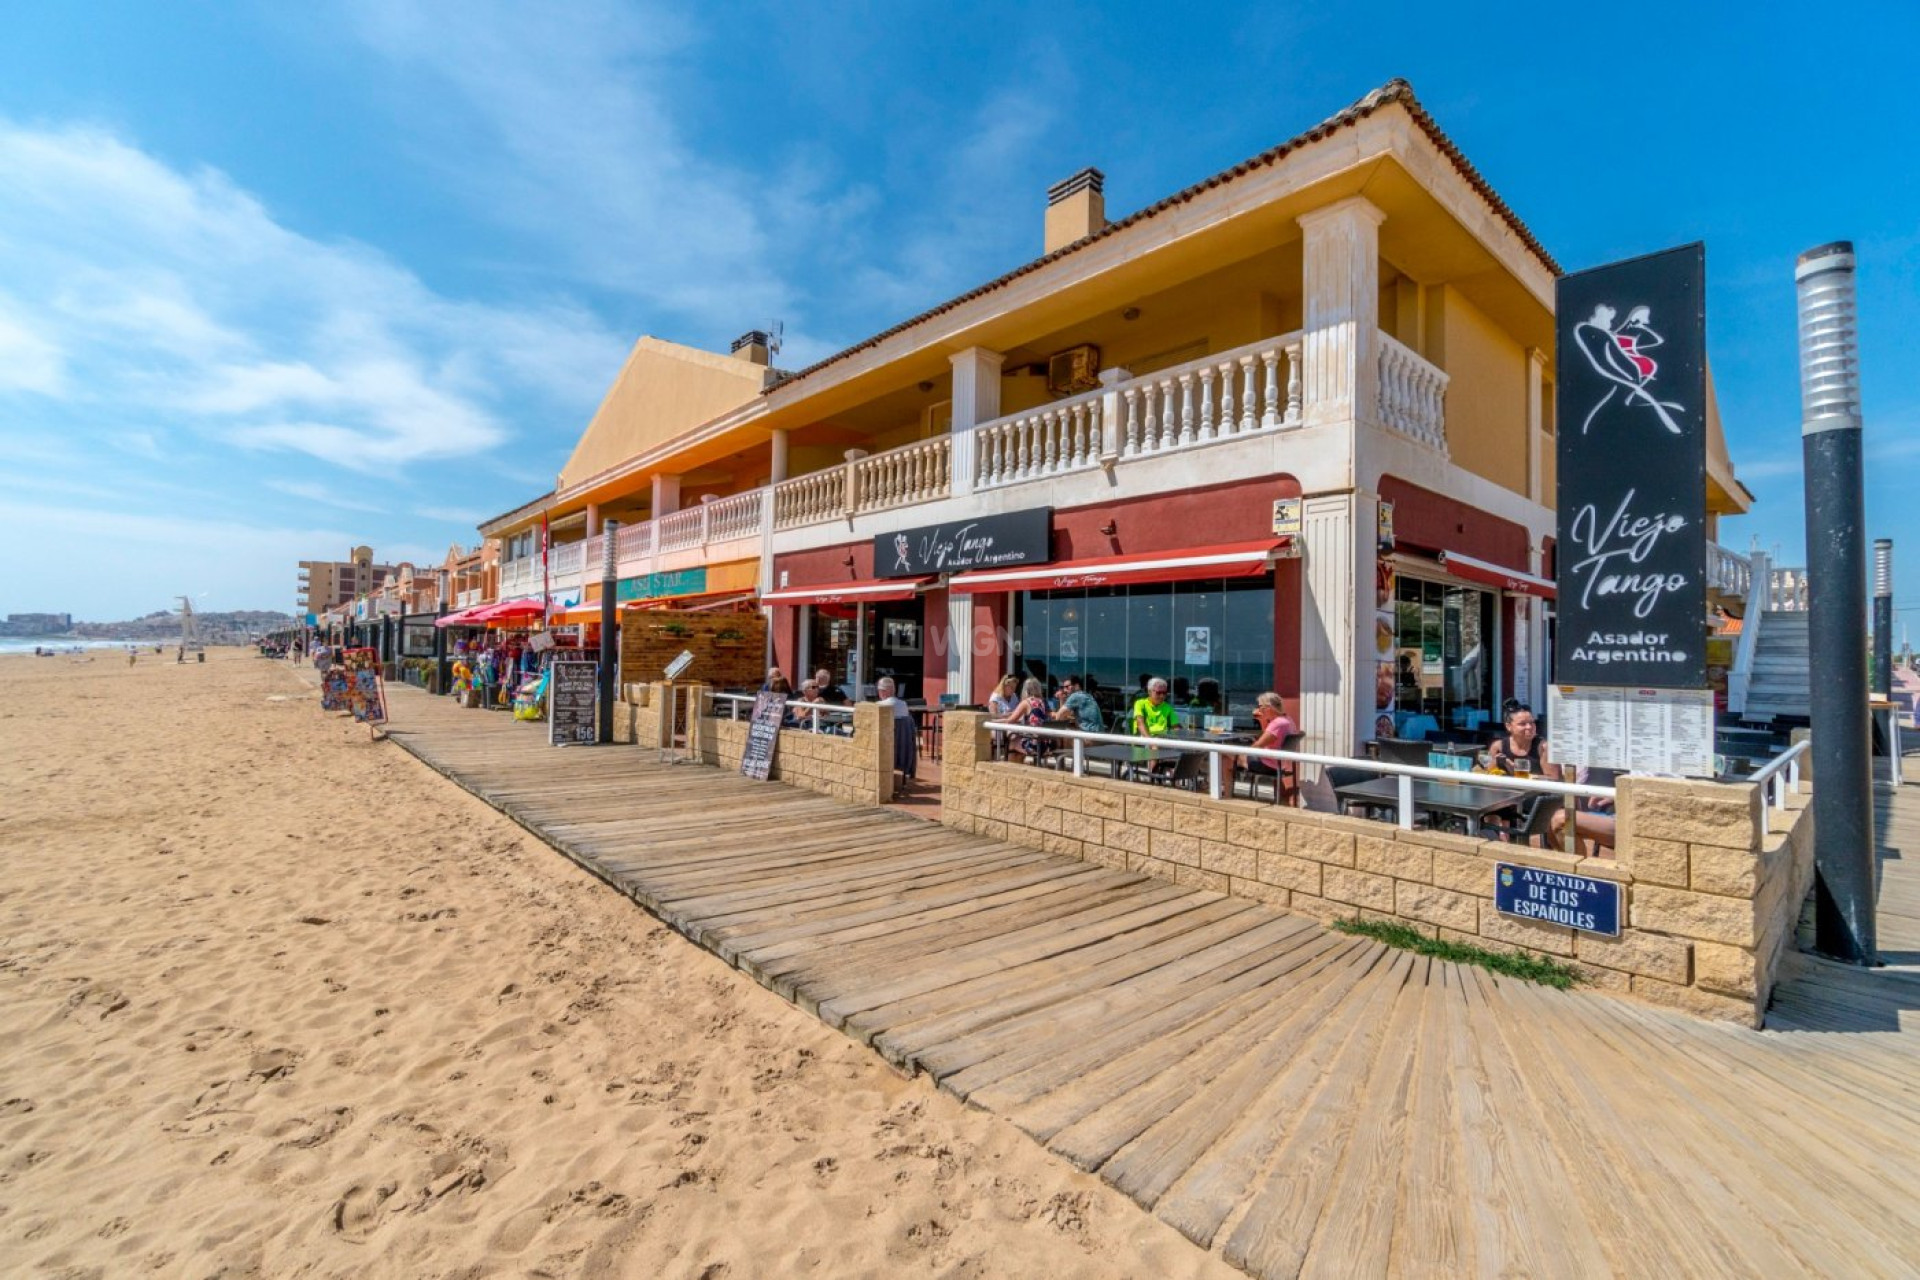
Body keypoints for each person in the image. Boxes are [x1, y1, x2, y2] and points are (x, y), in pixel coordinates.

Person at [1240, 692, 1299, 785]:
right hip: (1280, 764)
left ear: (1268, 707)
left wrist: (1243, 753)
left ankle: (1225, 790)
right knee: (1228, 758)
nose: (1258, 709)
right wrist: (1262, 719)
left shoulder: (1277, 723)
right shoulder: (1287, 719)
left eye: (1260, 706)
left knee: (1229, 756)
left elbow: (1258, 745)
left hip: (1270, 765)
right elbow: (1267, 736)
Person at [1486, 702, 1557, 779]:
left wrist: (1520, 774)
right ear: (1509, 726)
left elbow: (1554, 778)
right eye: (1522, 724)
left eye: (1532, 722)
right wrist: (1495, 763)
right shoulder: (1498, 747)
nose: (1529, 727)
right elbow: (1487, 774)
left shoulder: (1543, 748)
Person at [1008, 677, 1052, 761]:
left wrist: (993, 721)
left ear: (1026, 690)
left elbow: (1010, 720)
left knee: (1013, 741)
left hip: (1034, 745)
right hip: (1046, 745)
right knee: (1020, 739)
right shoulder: (1043, 702)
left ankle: (1010, 767)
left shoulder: (1026, 702)